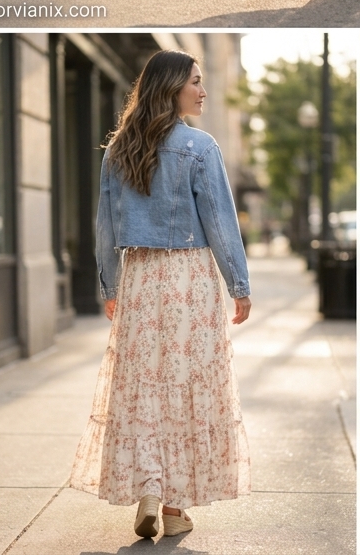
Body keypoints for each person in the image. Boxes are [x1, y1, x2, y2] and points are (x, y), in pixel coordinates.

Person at [69, 50, 252, 540]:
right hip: (189, 281)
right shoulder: (199, 147)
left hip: (140, 277)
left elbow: (104, 227)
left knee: (143, 388)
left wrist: (110, 284)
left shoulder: (117, 150)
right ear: (172, 87)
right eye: (195, 81)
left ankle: (149, 485)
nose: (203, 90)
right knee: (185, 389)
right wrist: (239, 284)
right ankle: (172, 508)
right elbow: (220, 223)